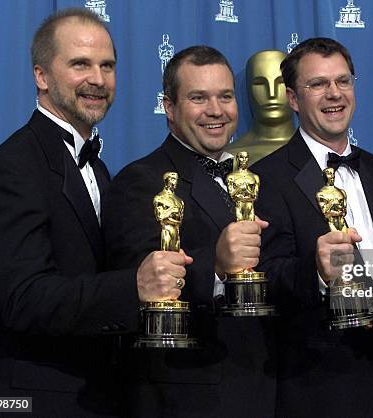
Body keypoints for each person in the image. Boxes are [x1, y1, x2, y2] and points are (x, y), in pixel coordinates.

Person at [0, 8, 188, 417]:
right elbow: (22, 298)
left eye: (107, 66)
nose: (98, 80)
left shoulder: (96, 166)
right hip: (34, 401)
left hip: (97, 395)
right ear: (41, 76)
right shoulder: (13, 167)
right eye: (80, 64)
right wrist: (132, 287)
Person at [101, 45, 275, 418]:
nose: (216, 110)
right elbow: (139, 285)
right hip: (189, 397)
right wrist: (216, 266)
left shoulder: (257, 179)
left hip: (265, 388)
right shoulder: (141, 182)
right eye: (199, 98)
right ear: (169, 107)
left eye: (225, 96)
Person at [252, 37, 373, 418]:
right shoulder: (266, 178)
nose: (334, 94)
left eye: (343, 81)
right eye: (318, 84)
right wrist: (316, 270)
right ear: (293, 99)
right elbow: (261, 279)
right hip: (314, 388)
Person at [225, 49, 295, 165]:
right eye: (260, 83)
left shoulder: (318, 150)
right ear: (248, 89)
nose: (272, 93)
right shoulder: (229, 158)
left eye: (281, 82)